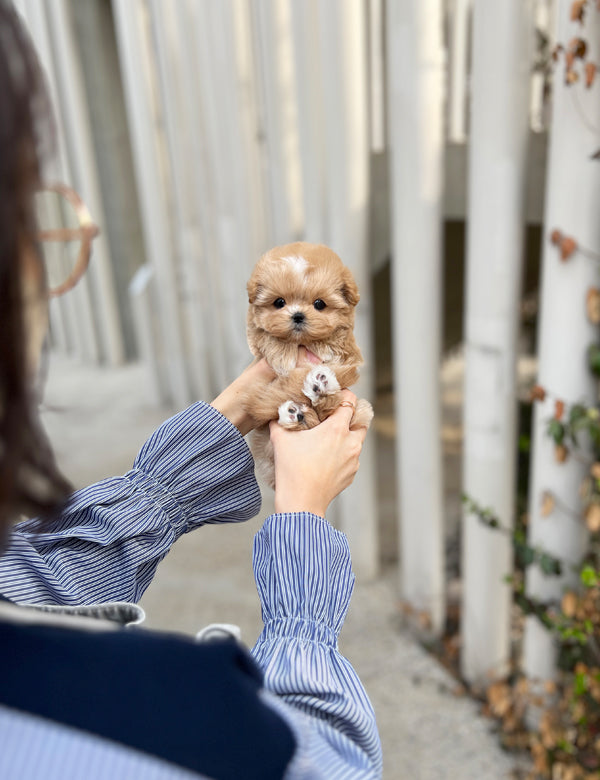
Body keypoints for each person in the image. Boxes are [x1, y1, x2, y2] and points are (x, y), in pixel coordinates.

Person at [0, 3, 382, 778]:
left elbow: (28, 579)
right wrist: (302, 521)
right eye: (40, 231)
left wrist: (193, 453)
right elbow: (323, 763)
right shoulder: (173, 726)